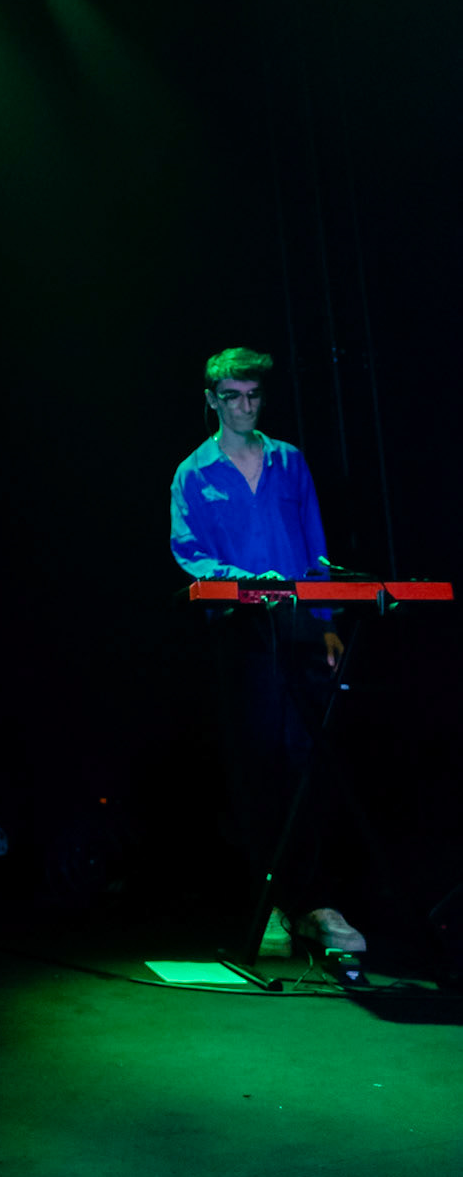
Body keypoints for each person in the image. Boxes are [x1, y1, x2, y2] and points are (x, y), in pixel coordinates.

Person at [169, 346, 365, 961]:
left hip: (303, 628)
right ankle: (273, 901)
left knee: (307, 759)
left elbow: (316, 546)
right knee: (257, 764)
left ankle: (314, 900)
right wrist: (249, 586)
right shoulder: (193, 474)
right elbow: (189, 550)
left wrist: (329, 621)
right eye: (233, 397)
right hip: (244, 632)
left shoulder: (289, 462)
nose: (245, 407)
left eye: (254, 396)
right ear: (212, 400)